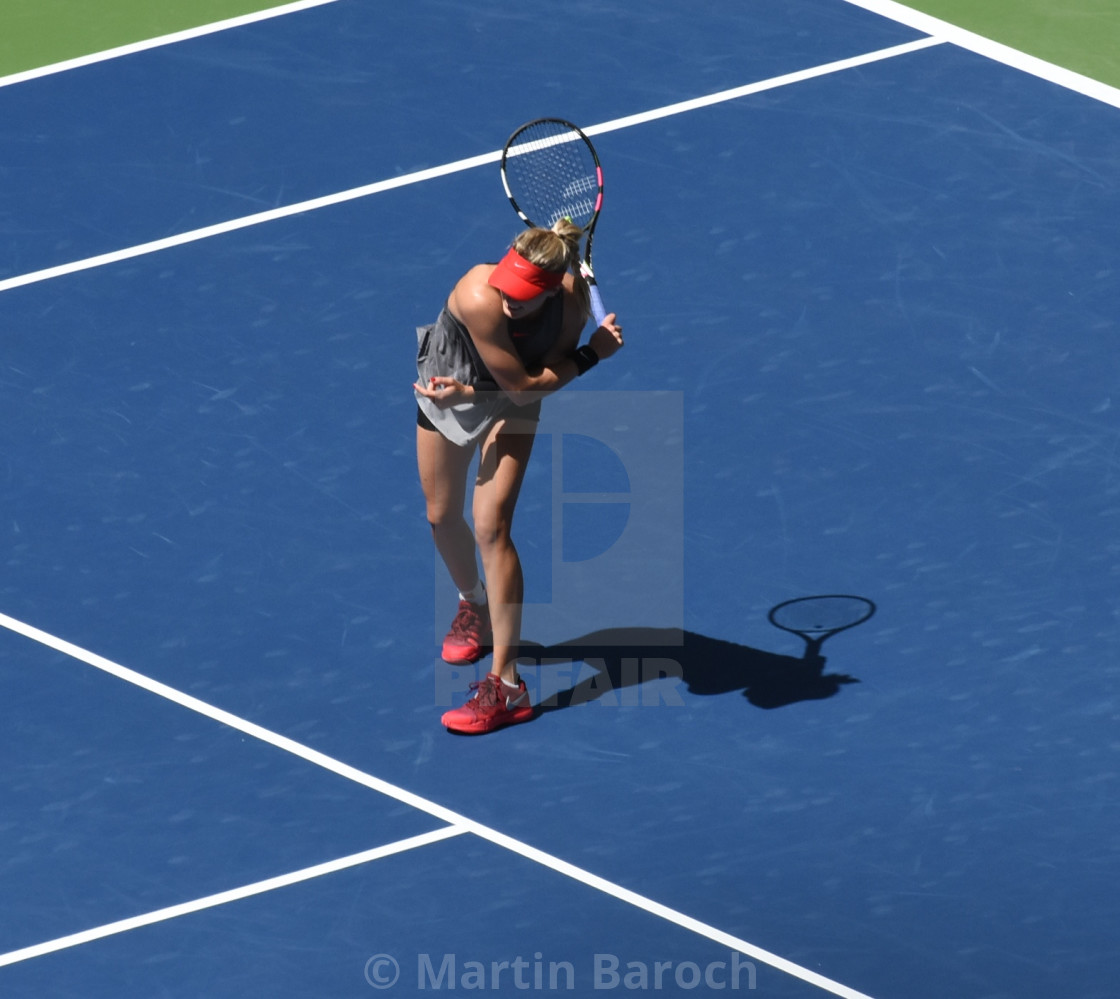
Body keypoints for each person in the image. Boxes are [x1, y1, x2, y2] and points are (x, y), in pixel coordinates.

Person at [414, 219, 624, 734]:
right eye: (507, 285)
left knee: (491, 527)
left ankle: (506, 685)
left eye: (524, 297)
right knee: (442, 517)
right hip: (453, 382)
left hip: (516, 390)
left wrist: (582, 350)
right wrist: (593, 354)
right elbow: (525, 386)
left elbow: (532, 389)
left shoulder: (571, 310)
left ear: (552, 291)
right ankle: (474, 604)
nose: (509, 300)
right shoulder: (480, 297)